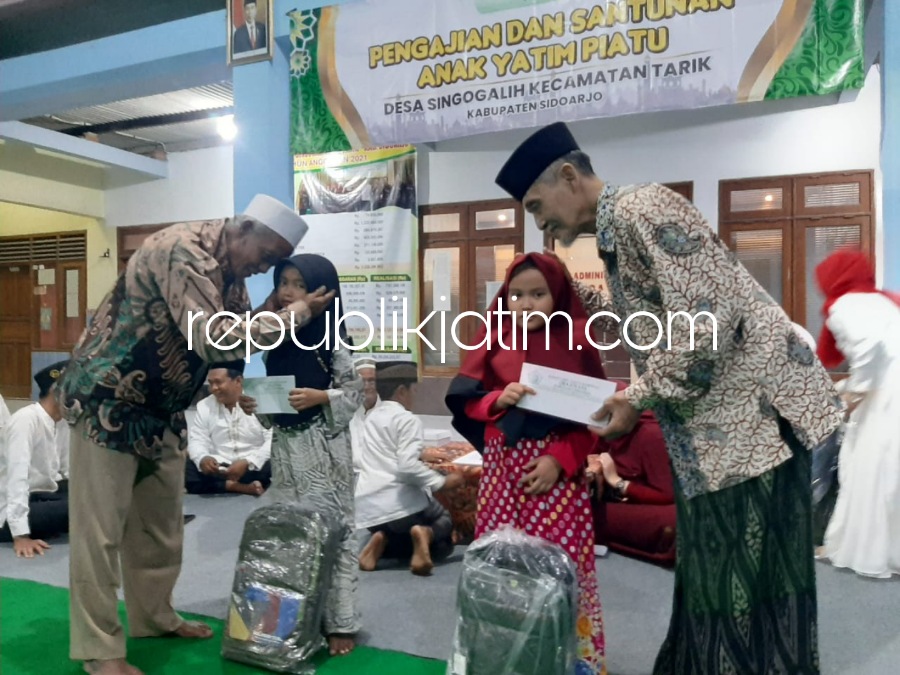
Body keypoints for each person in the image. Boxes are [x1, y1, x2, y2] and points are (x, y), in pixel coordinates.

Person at [495, 123, 843, 674]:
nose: (541, 223)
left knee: (745, 590)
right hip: (718, 443)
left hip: (753, 433)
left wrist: (636, 397)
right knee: (716, 587)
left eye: (538, 206)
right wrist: (573, 292)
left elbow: (708, 321)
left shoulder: (644, 208)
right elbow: (650, 330)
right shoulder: (615, 236)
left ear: (569, 176)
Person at [58, 194, 324, 675]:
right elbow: (216, 338)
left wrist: (268, 313)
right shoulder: (185, 249)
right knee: (100, 534)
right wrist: (295, 313)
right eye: (265, 256)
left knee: (159, 529)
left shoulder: (233, 276)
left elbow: (231, 347)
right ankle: (99, 652)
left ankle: (153, 617)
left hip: (163, 408)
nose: (264, 268)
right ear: (244, 229)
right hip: (109, 400)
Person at [445, 252, 606, 675]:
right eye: (516, 294)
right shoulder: (495, 336)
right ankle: (499, 658)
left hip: (557, 478)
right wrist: (496, 400)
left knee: (560, 568)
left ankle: (566, 661)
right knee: (501, 565)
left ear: (558, 295)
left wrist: (560, 459)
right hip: (502, 474)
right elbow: (468, 401)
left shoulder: (574, 341)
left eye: (538, 293)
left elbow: (592, 416)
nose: (526, 303)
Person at [247, 253, 363, 657]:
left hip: (323, 449)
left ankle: (340, 623)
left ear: (324, 292)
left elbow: (354, 395)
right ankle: (292, 619)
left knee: (333, 533)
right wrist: (255, 405)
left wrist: (321, 396)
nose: (289, 292)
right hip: (286, 451)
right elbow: (271, 405)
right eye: (284, 283)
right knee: (289, 533)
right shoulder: (274, 343)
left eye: (299, 284)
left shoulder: (335, 341)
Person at [815, 250, 900, 578]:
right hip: (890, 389)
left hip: (883, 397)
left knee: (866, 468)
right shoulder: (881, 301)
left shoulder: (843, 306)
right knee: (887, 472)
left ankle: (860, 550)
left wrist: (853, 394)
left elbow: (868, 350)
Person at [353, 361, 463, 576]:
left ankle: (381, 539)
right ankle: (424, 533)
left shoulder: (370, 417)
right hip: (398, 503)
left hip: (369, 510)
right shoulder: (407, 419)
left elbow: (385, 451)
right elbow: (406, 466)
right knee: (444, 526)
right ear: (402, 391)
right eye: (414, 390)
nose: (415, 396)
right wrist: (441, 482)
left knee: (399, 535)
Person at [587, 389, 676, 567]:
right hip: (607, 496)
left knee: (673, 520)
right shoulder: (603, 427)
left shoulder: (650, 435)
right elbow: (594, 453)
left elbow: (667, 494)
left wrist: (618, 482)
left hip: (649, 503)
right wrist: (593, 466)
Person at [0, 361, 70, 558]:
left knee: (90, 496)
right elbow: (17, 479)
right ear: (58, 391)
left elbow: (68, 470)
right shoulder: (26, 420)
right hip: (7, 513)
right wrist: (21, 535)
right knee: (79, 507)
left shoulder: (62, 421)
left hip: (40, 497)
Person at [186, 361, 272, 497]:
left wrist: (248, 462)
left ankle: (228, 486)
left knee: (275, 462)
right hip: (222, 468)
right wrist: (203, 458)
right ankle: (239, 487)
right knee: (186, 466)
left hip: (253, 466)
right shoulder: (205, 405)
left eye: (218, 382)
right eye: (210, 383)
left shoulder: (257, 401)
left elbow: (272, 440)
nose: (213, 388)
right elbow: (198, 439)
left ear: (238, 381)